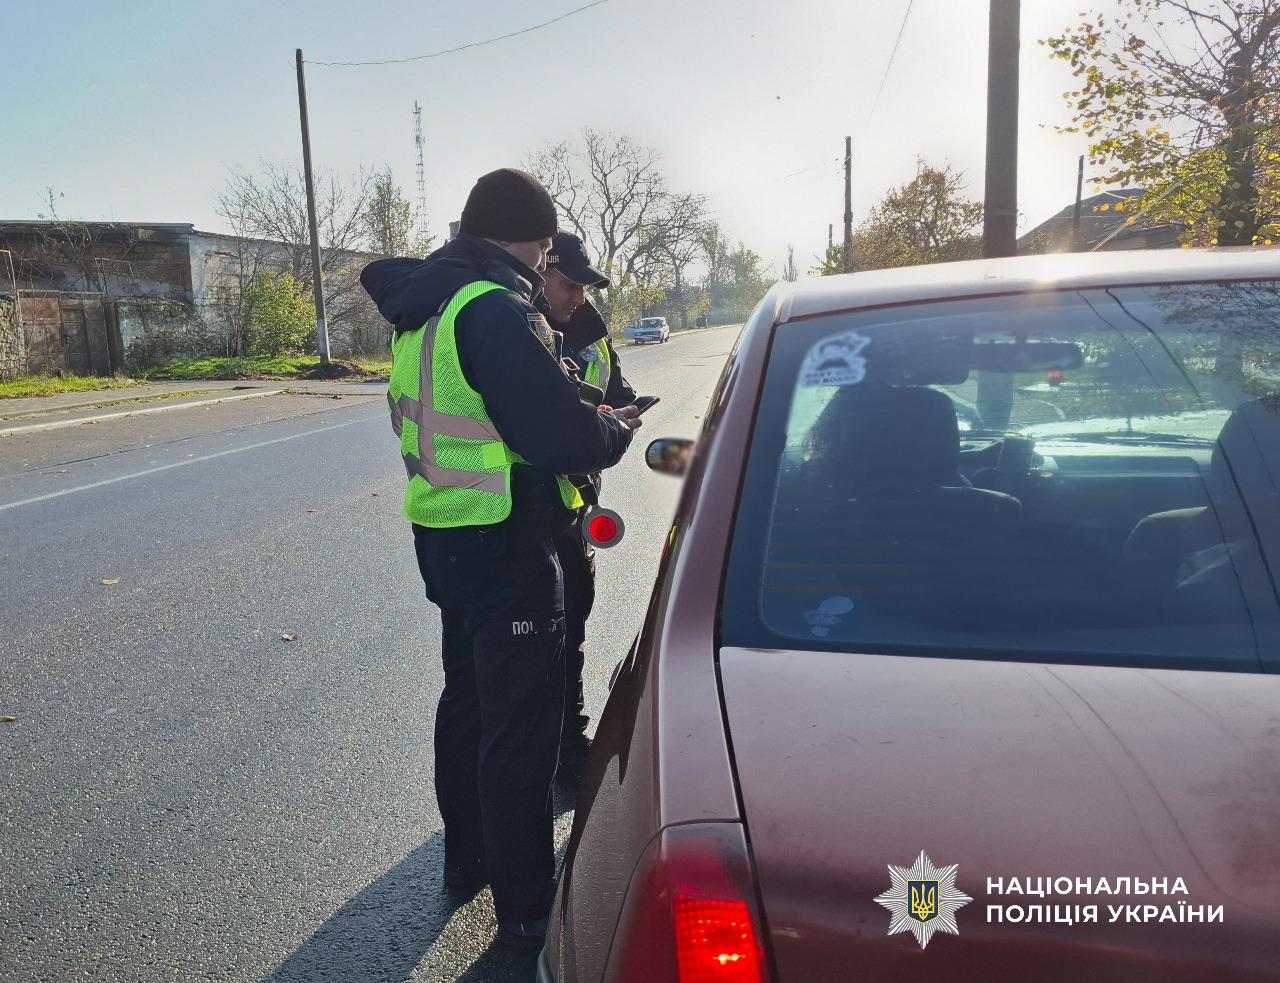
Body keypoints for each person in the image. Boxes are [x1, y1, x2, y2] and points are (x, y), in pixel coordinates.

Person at [360, 168, 642, 950]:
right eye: (545, 245)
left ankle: (469, 856)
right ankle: (524, 903)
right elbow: (558, 438)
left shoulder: (428, 302)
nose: (544, 259)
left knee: (469, 703)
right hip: (507, 538)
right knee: (520, 725)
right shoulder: (492, 306)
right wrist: (614, 428)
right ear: (529, 239)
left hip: (446, 532)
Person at [536, 232, 637, 778]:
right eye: (569, 284)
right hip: (528, 509)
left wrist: (620, 413)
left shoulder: (593, 335)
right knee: (541, 641)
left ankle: (568, 745)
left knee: (572, 628)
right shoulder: (520, 332)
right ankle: (550, 751)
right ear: (542, 274)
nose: (578, 297)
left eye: (583, 287)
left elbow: (617, 390)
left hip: (577, 500)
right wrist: (597, 425)